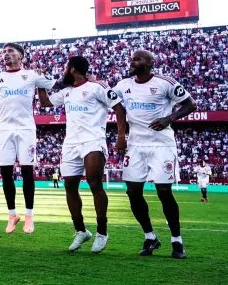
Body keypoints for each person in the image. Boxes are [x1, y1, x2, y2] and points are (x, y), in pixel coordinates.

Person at [38, 56, 126, 254]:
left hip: (93, 140)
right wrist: (40, 82)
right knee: (70, 186)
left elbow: (119, 107)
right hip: (71, 143)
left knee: (95, 183)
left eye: (65, 67)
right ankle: (81, 230)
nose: (63, 70)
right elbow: (45, 103)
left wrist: (121, 136)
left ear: (72, 69)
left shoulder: (97, 87)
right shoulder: (67, 91)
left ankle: (102, 232)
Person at [114, 50, 196, 259]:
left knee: (163, 191)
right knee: (132, 191)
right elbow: (116, 106)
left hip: (162, 145)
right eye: (132, 58)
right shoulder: (124, 85)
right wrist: (121, 136)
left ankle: (176, 241)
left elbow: (190, 104)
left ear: (150, 63)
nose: (133, 62)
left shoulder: (165, 83)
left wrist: (169, 118)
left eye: (138, 59)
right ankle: (150, 237)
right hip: (135, 145)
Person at [0, 43, 55, 234]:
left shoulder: (32, 75)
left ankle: (29, 216)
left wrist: (87, 80)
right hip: (4, 130)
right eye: (4, 52)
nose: (6, 55)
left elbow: (56, 83)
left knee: (27, 172)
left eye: (10, 52)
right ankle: (12, 214)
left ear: (21, 56)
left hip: (26, 129)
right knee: (5, 173)